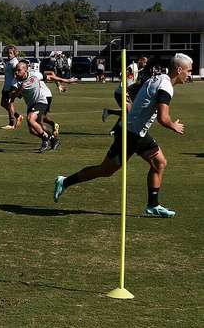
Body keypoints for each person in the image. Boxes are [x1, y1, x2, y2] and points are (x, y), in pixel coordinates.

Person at [54, 53, 192, 217]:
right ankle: (64, 181)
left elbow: (135, 89)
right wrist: (173, 125)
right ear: (179, 69)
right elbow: (163, 118)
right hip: (129, 134)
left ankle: (153, 205)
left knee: (159, 163)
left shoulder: (160, 78)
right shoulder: (166, 86)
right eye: (189, 71)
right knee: (105, 170)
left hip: (138, 132)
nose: (190, 74)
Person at [11, 61, 76, 152]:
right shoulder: (15, 81)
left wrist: (67, 81)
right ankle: (53, 139)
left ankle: (45, 138)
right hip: (30, 104)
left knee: (30, 118)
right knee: (32, 130)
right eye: (15, 70)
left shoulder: (35, 75)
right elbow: (13, 96)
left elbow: (50, 77)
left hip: (41, 101)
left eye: (19, 70)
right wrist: (19, 90)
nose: (16, 72)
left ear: (25, 70)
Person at [102, 56, 148, 122]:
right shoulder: (133, 67)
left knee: (127, 112)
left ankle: (110, 114)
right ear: (140, 60)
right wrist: (125, 75)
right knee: (128, 112)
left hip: (127, 93)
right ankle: (110, 114)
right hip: (121, 93)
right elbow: (124, 73)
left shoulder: (138, 69)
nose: (145, 64)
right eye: (144, 62)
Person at [0, 45, 23, 130]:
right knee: (3, 104)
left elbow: (17, 75)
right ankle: (18, 116)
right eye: (8, 53)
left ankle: (11, 123)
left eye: (11, 53)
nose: (9, 54)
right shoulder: (9, 61)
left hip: (11, 87)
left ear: (15, 53)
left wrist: (16, 87)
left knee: (9, 104)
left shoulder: (14, 62)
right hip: (6, 86)